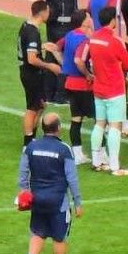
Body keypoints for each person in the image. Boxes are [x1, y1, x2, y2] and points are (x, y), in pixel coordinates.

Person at [17, 112, 83, 254]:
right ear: (59, 128)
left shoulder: (31, 146)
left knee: (38, 232)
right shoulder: (64, 149)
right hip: (58, 202)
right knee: (59, 237)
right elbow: (72, 179)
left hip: (37, 199)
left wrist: (24, 192)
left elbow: (23, 173)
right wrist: (77, 202)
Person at [81, 5, 128, 176]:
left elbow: (86, 58)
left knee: (99, 123)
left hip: (99, 87)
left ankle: (96, 161)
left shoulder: (93, 38)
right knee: (115, 126)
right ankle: (114, 165)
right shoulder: (115, 41)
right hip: (115, 89)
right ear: (112, 21)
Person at [39, 0, 87, 104]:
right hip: (64, 21)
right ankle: (61, 96)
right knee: (64, 58)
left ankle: (48, 94)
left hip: (51, 19)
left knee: (51, 55)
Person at [50, 10, 93, 164]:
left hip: (68, 83)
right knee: (100, 120)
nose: (91, 19)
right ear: (84, 22)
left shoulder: (69, 35)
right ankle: (100, 154)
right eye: (88, 17)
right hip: (82, 85)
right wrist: (88, 75)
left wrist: (64, 65)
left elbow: (55, 48)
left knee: (76, 119)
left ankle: (77, 154)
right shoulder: (84, 41)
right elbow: (79, 61)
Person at [18, 0, 61, 147]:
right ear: (42, 12)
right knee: (32, 108)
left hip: (30, 73)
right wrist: (50, 66)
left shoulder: (26, 25)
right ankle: (28, 144)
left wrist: (42, 46)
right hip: (31, 74)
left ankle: (32, 139)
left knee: (40, 105)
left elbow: (27, 47)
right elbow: (31, 59)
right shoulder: (32, 32)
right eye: (48, 11)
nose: (49, 13)